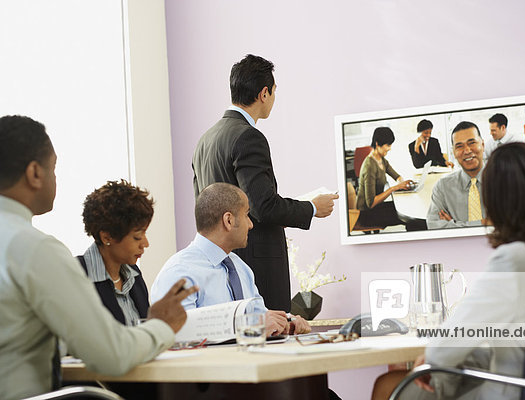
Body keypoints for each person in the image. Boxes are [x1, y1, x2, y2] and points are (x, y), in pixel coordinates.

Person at [372, 142, 525, 400]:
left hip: (514, 393)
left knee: (388, 384)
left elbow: (445, 348)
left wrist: (436, 356)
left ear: (498, 203)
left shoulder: (514, 261)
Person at [0, 115, 197, 400]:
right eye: (54, 167)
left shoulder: (132, 276)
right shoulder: (34, 249)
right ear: (34, 173)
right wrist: (162, 326)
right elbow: (111, 355)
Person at [192, 54, 338, 312]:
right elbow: (263, 207)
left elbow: (203, 208)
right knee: (270, 340)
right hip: (255, 265)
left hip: (217, 264)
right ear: (264, 93)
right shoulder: (249, 137)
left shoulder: (205, 140)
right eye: (274, 92)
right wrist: (312, 208)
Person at [151, 182, 311, 336]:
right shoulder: (180, 272)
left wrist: (285, 324)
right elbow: (179, 333)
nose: (251, 224)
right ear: (228, 220)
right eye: (247, 215)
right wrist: (251, 327)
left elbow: (259, 317)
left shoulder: (241, 267)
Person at [78, 180, 154, 326]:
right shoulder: (77, 277)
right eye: (137, 236)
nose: (145, 244)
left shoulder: (134, 274)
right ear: (107, 237)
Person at [355, 127, 425, 231]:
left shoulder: (381, 160)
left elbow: (397, 176)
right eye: (388, 145)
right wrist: (394, 188)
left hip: (377, 208)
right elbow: (371, 203)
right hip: (366, 214)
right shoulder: (369, 166)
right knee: (409, 218)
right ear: (378, 144)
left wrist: (405, 184)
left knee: (405, 208)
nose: (390, 148)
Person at [426, 121, 487, 229]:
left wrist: (454, 225)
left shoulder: (506, 180)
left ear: (482, 144)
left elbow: (512, 224)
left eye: (472, 143)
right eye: (459, 146)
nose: (467, 150)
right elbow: (434, 226)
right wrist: (484, 223)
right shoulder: (443, 187)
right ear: (453, 152)